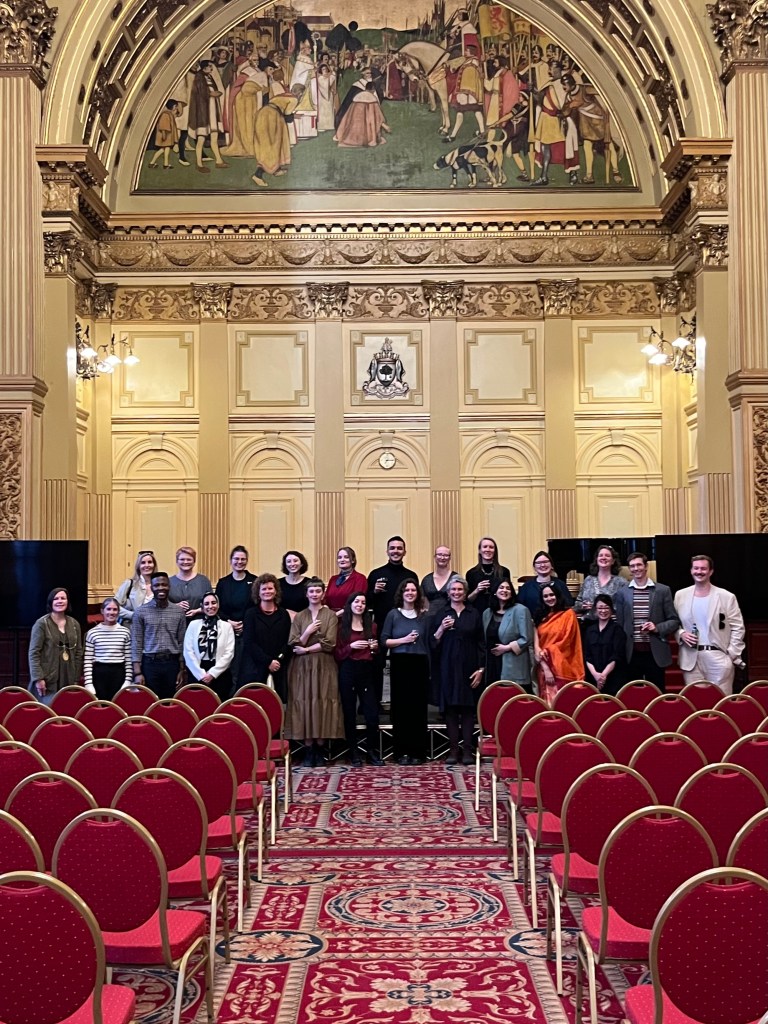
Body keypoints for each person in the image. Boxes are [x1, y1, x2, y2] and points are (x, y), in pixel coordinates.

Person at [286, 578, 343, 766]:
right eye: (311, 591)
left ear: (323, 593)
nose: (314, 594)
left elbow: (330, 643)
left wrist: (307, 649)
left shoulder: (331, 616)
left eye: (318, 591)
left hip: (324, 665)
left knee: (322, 702)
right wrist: (308, 632)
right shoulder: (300, 616)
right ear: (307, 594)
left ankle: (321, 747)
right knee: (304, 702)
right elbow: (294, 642)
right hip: (301, 667)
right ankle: (308, 748)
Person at [674, 554, 746, 695]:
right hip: (690, 658)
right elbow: (674, 623)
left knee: (721, 703)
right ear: (691, 570)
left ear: (711, 571)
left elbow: (738, 627)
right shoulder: (680, 595)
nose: (699, 572)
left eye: (703, 568)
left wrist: (731, 654)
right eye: (696, 568)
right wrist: (681, 634)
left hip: (719, 657)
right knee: (695, 703)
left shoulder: (726, 596)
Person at [431, 577, 485, 766]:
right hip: (447, 666)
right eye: (453, 589)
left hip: (470, 666)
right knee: (451, 709)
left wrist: (481, 669)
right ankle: (453, 750)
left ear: (465, 592)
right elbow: (433, 642)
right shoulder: (441, 613)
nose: (456, 592)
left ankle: (468, 750)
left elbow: (481, 643)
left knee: (468, 709)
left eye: (460, 589)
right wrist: (441, 629)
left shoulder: (474, 613)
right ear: (448, 592)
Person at [613, 551, 679, 691]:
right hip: (631, 652)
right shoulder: (622, 593)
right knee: (633, 694)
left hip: (654, 651)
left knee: (657, 693)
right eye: (632, 566)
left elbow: (673, 620)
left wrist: (657, 628)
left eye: (639, 565)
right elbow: (620, 624)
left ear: (646, 566)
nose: (636, 569)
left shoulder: (662, 590)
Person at [381, 579, 431, 765]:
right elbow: (384, 641)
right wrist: (404, 640)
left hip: (419, 663)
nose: (410, 593)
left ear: (417, 594)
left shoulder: (424, 616)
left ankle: (418, 752)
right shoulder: (393, 615)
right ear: (401, 593)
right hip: (400, 662)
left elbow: (429, 641)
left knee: (418, 708)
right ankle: (401, 751)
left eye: (413, 590)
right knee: (401, 708)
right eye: (406, 590)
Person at [367, 536, 419, 705]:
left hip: (405, 627)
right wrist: (374, 591)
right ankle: (375, 704)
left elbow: (416, 601)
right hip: (382, 626)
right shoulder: (376, 575)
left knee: (402, 668)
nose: (395, 551)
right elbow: (366, 604)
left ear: (405, 552)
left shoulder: (411, 576)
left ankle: (401, 704)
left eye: (399, 548)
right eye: (392, 548)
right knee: (377, 665)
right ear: (387, 551)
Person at [335, 593, 381, 766]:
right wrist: (350, 647)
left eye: (363, 602)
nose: (360, 605)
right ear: (350, 604)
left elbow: (376, 653)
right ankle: (353, 752)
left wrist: (375, 648)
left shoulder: (372, 626)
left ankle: (371, 751)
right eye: (357, 601)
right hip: (347, 669)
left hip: (366, 670)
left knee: (371, 714)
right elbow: (337, 654)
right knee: (349, 713)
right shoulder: (341, 627)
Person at [131, 572, 187, 699]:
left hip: (172, 664)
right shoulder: (140, 612)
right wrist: (137, 672)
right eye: (157, 585)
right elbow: (136, 643)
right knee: (150, 702)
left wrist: (182, 669)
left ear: (169, 586)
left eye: (164, 585)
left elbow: (182, 642)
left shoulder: (178, 612)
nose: (161, 588)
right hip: (150, 664)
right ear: (152, 587)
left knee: (170, 702)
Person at [240, 574, 292, 699]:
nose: (267, 591)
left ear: (276, 591)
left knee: (278, 703)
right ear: (258, 593)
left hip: (279, 666)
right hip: (255, 666)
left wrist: (277, 660)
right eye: (264, 589)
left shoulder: (283, 614)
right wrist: (268, 661)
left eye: (270, 588)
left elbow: (287, 641)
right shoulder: (250, 614)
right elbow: (249, 642)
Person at [28, 588, 84, 705]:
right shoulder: (41, 624)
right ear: (50, 602)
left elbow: (79, 652)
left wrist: (75, 678)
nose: (60, 601)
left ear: (67, 602)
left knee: (66, 713)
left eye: (63, 598)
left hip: (69, 678)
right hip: (47, 680)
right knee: (48, 714)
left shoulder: (74, 624)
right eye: (56, 599)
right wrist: (38, 678)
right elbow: (34, 653)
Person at [534, 583, 584, 707]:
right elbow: (536, 646)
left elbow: (567, 642)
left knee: (564, 705)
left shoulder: (568, 614)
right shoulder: (540, 617)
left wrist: (547, 652)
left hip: (564, 665)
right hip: (544, 666)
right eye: (545, 596)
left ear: (557, 595)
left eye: (552, 595)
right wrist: (545, 667)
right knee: (547, 705)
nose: (549, 598)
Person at [215, 545, 256, 688]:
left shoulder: (255, 581)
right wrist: (229, 622)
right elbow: (217, 608)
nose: (240, 562)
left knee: (245, 671)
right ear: (231, 560)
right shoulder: (223, 583)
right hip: (226, 631)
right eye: (236, 559)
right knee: (228, 670)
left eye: (243, 559)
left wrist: (244, 624)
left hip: (248, 632)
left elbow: (257, 607)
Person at [183, 592, 235, 701]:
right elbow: (188, 651)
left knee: (219, 706)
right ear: (202, 607)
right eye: (206, 604)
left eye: (213, 603)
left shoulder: (227, 626)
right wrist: (201, 674)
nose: (210, 606)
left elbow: (229, 653)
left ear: (218, 605)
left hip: (220, 673)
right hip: (197, 672)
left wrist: (212, 674)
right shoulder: (193, 625)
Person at [484, 579, 534, 691]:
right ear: (495, 592)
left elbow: (527, 638)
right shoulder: (487, 613)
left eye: (508, 588)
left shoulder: (521, 610)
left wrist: (507, 648)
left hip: (513, 663)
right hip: (492, 664)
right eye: (501, 587)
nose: (504, 590)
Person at [83, 597, 131, 700]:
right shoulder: (92, 633)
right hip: (100, 673)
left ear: (118, 612)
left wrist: (128, 680)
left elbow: (128, 659)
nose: (111, 612)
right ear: (102, 611)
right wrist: (88, 683)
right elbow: (88, 660)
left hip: (118, 672)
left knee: (118, 705)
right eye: (108, 609)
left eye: (115, 609)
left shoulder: (125, 632)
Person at [582, 594, 627, 695]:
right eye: (600, 608)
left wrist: (603, 676)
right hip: (593, 677)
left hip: (613, 677)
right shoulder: (590, 630)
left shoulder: (617, 630)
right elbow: (587, 656)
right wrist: (595, 675)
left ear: (611, 609)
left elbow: (616, 656)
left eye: (606, 607)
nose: (603, 611)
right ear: (595, 609)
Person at [574, 544, 627, 619]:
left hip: (611, 625)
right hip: (588, 624)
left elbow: (625, 607)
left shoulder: (621, 582)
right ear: (597, 559)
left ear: (613, 561)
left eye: (607, 556)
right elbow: (577, 604)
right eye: (601, 555)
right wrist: (583, 606)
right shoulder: (588, 580)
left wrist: (606, 608)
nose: (603, 558)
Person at [517, 551, 574, 620]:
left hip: (557, 625)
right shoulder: (526, 587)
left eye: (545, 562)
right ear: (534, 567)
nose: (543, 565)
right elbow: (519, 608)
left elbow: (568, 605)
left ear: (551, 565)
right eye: (538, 563)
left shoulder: (560, 584)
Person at [465, 536, 513, 617]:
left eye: (491, 547)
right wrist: (477, 590)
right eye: (485, 547)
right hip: (478, 613)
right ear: (480, 550)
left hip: (499, 613)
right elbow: (468, 600)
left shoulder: (504, 571)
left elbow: (510, 596)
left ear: (495, 551)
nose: (488, 549)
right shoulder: (471, 573)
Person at [168, 546, 212, 623]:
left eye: (189, 559)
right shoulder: (169, 582)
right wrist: (175, 606)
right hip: (174, 623)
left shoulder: (203, 581)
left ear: (194, 562)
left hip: (199, 623)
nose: (185, 562)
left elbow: (211, 604)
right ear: (177, 562)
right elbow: (163, 605)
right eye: (182, 559)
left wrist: (197, 611)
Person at [115, 550, 157, 624]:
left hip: (154, 626)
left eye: (150, 562)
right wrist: (134, 615)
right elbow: (114, 606)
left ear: (154, 565)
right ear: (138, 566)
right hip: (132, 625)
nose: (147, 565)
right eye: (143, 563)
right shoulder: (129, 584)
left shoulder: (159, 585)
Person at [326, 546, 368, 616]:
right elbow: (326, 599)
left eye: (346, 557)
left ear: (353, 560)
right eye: (339, 557)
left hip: (350, 617)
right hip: (332, 617)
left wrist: (338, 614)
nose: (342, 560)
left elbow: (357, 601)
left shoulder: (360, 578)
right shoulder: (333, 579)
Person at [421, 545, 460, 616]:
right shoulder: (426, 580)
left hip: (451, 617)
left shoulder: (456, 578)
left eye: (445, 555)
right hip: (430, 619)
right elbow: (423, 603)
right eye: (439, 555)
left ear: (450, 558)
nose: (442, 558)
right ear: (435, 557)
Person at [280, 551, 309, 616]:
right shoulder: (278, 583)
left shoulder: (309, 583)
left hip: (304, 621)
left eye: (295, 561)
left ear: (301, 564)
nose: (292, 564)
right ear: (285, 565)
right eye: (289, 561)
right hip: (283, 620)